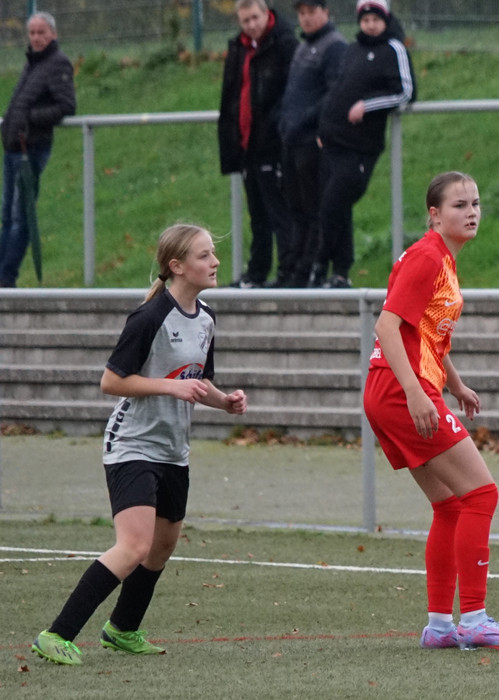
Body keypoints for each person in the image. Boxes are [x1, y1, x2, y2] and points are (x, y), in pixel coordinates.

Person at [31, 224, 249, 666]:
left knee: (162, 545)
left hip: (173, 449)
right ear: (177, 266)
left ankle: (122, 629)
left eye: (213, 254)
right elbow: (111, 380)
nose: (215, 262)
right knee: (133, 546)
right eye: (205, 255)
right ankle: (56, 634)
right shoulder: (149, 317)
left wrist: (224, 402)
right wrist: (170, 389)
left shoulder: (205, 317)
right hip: (132, 445)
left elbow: (197, 379)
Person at [362, 172, 499, 651]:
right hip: (399, 390)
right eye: (459, 205)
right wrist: (417, 393)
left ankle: (439, 627)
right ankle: (474, 619)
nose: (471, 211)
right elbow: (388, 326)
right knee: (482, 495)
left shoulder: (441, 258)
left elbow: (425, 332)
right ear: (434, 214)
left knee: (452, 504)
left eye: (475, 202)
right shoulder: (428, 256)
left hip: (394, 388)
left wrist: (454, 383)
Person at [316, 0, 415, 289]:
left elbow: (405, 92)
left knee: (333, 204)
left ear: (385, 19)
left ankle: (321, 264)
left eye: (376, 19)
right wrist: (324, 126)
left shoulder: (393, 49)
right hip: (333, 141)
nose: (370, 24)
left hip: (360, 146)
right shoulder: (352, 49)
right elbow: (338, 90)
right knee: (334, 206)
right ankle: (337, 273)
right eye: (365, 19)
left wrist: (367, 106)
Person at [219, 0, 297, 288]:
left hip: (273, 144)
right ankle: (257, 272)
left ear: (266, 14)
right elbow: (231, 95)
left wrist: (273, 130)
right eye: (245, 21)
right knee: (257, 214)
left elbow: (288, 94)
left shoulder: (284, 44)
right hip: (246, 143)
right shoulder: (239, 48)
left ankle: (289, 271)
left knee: (279, 211)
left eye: (254, 18)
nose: (251, 25)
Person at [0, 11, 76, 288]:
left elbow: (67, 106)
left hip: (31, 149)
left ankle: (6, 278)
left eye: (41, 32)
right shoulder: (32, 63)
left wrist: (30, 119)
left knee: (22, 216)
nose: (36, 38)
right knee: (7, 215)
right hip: (13, 148)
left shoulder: (58, 63)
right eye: (32, 33)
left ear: (53, 34)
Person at [278, 0, 347, 288]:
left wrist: (305, 123)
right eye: (301, 13)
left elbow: (332, 95)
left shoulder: (334, 46)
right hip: (291, 139)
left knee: (313, 207)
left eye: (311, 12)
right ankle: (293, 268)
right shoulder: (303, 46)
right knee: (294, 207)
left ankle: (310, 269)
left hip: (311, 141)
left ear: (325, 12)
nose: (305, 19)